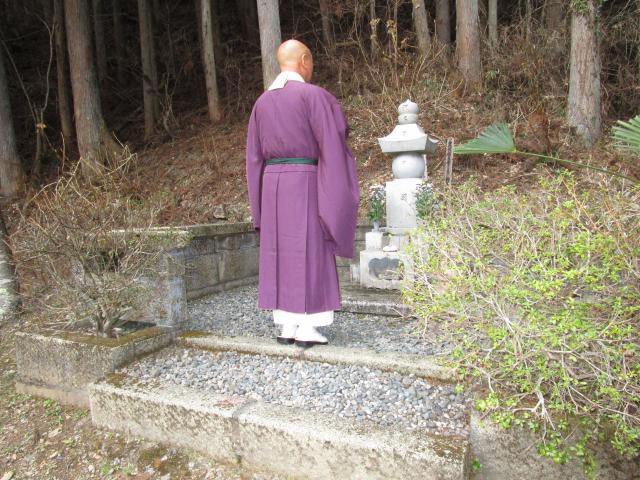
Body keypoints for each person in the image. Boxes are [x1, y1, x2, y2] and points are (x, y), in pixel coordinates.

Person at [245, 39, 359, 347]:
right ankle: (308, 327)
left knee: (279, 251)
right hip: (306, 181)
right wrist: (337, 192)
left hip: (272, 185)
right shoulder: (314, 96)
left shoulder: (261, 103)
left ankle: (287, 325)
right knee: (311, 248)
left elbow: (254, 157)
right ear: (304, 60)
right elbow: (333, 146)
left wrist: (259, 202)